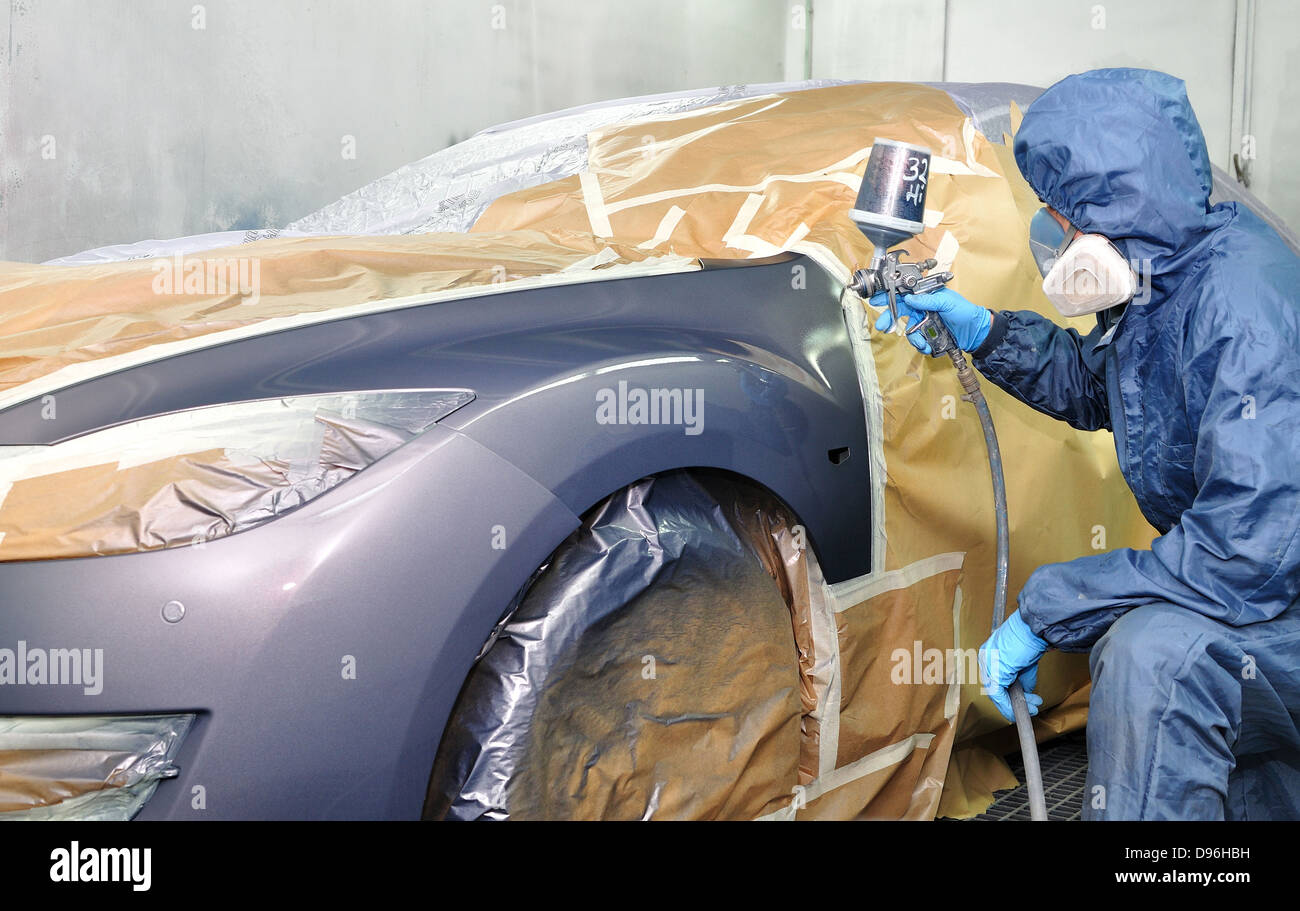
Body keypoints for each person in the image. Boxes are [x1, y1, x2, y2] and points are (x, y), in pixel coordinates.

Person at [876, 68, 1300, 820]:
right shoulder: (1164, 279)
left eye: (1060, 217)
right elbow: (1103, 387)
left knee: (1156, 659)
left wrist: (1051, 608)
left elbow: (1242, 554)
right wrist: (983, 331)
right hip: (1269, 602)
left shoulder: (1248, 313)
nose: (1052, 236)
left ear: (1118, 207)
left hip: (1274, 601)